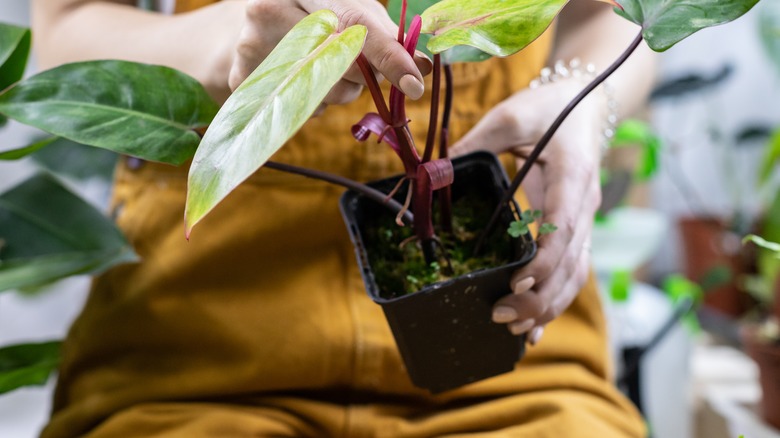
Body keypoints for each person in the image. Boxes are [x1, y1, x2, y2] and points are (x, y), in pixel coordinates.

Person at [33, 0, 657, 436]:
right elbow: (65, 24)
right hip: (199, 348)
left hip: (506, 349)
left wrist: (581, 100)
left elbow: (606, 14)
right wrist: (235, 41)